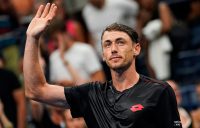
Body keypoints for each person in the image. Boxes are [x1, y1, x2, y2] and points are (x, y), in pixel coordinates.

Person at [24, 3, 182, 128]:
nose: (113, 49)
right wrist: (32, 38)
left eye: (120, 42)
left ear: (136, 48)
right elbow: (36, 91)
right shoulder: (91, 94)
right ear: (103, 54)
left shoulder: (159, 90)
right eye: (107, 45)